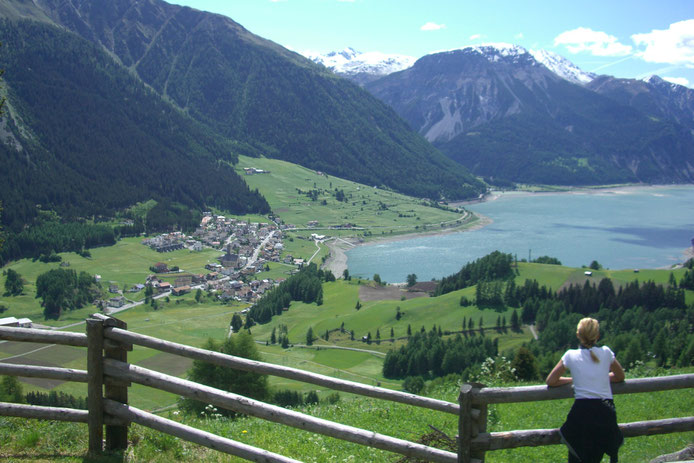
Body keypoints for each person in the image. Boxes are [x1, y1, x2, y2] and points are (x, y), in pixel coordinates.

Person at [546, 317, 626, 463]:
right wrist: (600, 377)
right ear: (598, 336)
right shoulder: (606, 352)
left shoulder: (570, 355)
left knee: (577, 454)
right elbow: (620, 376)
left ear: (578, 335)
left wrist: (575, 379)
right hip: (605, 412)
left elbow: (551, 381)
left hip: (582, 413)